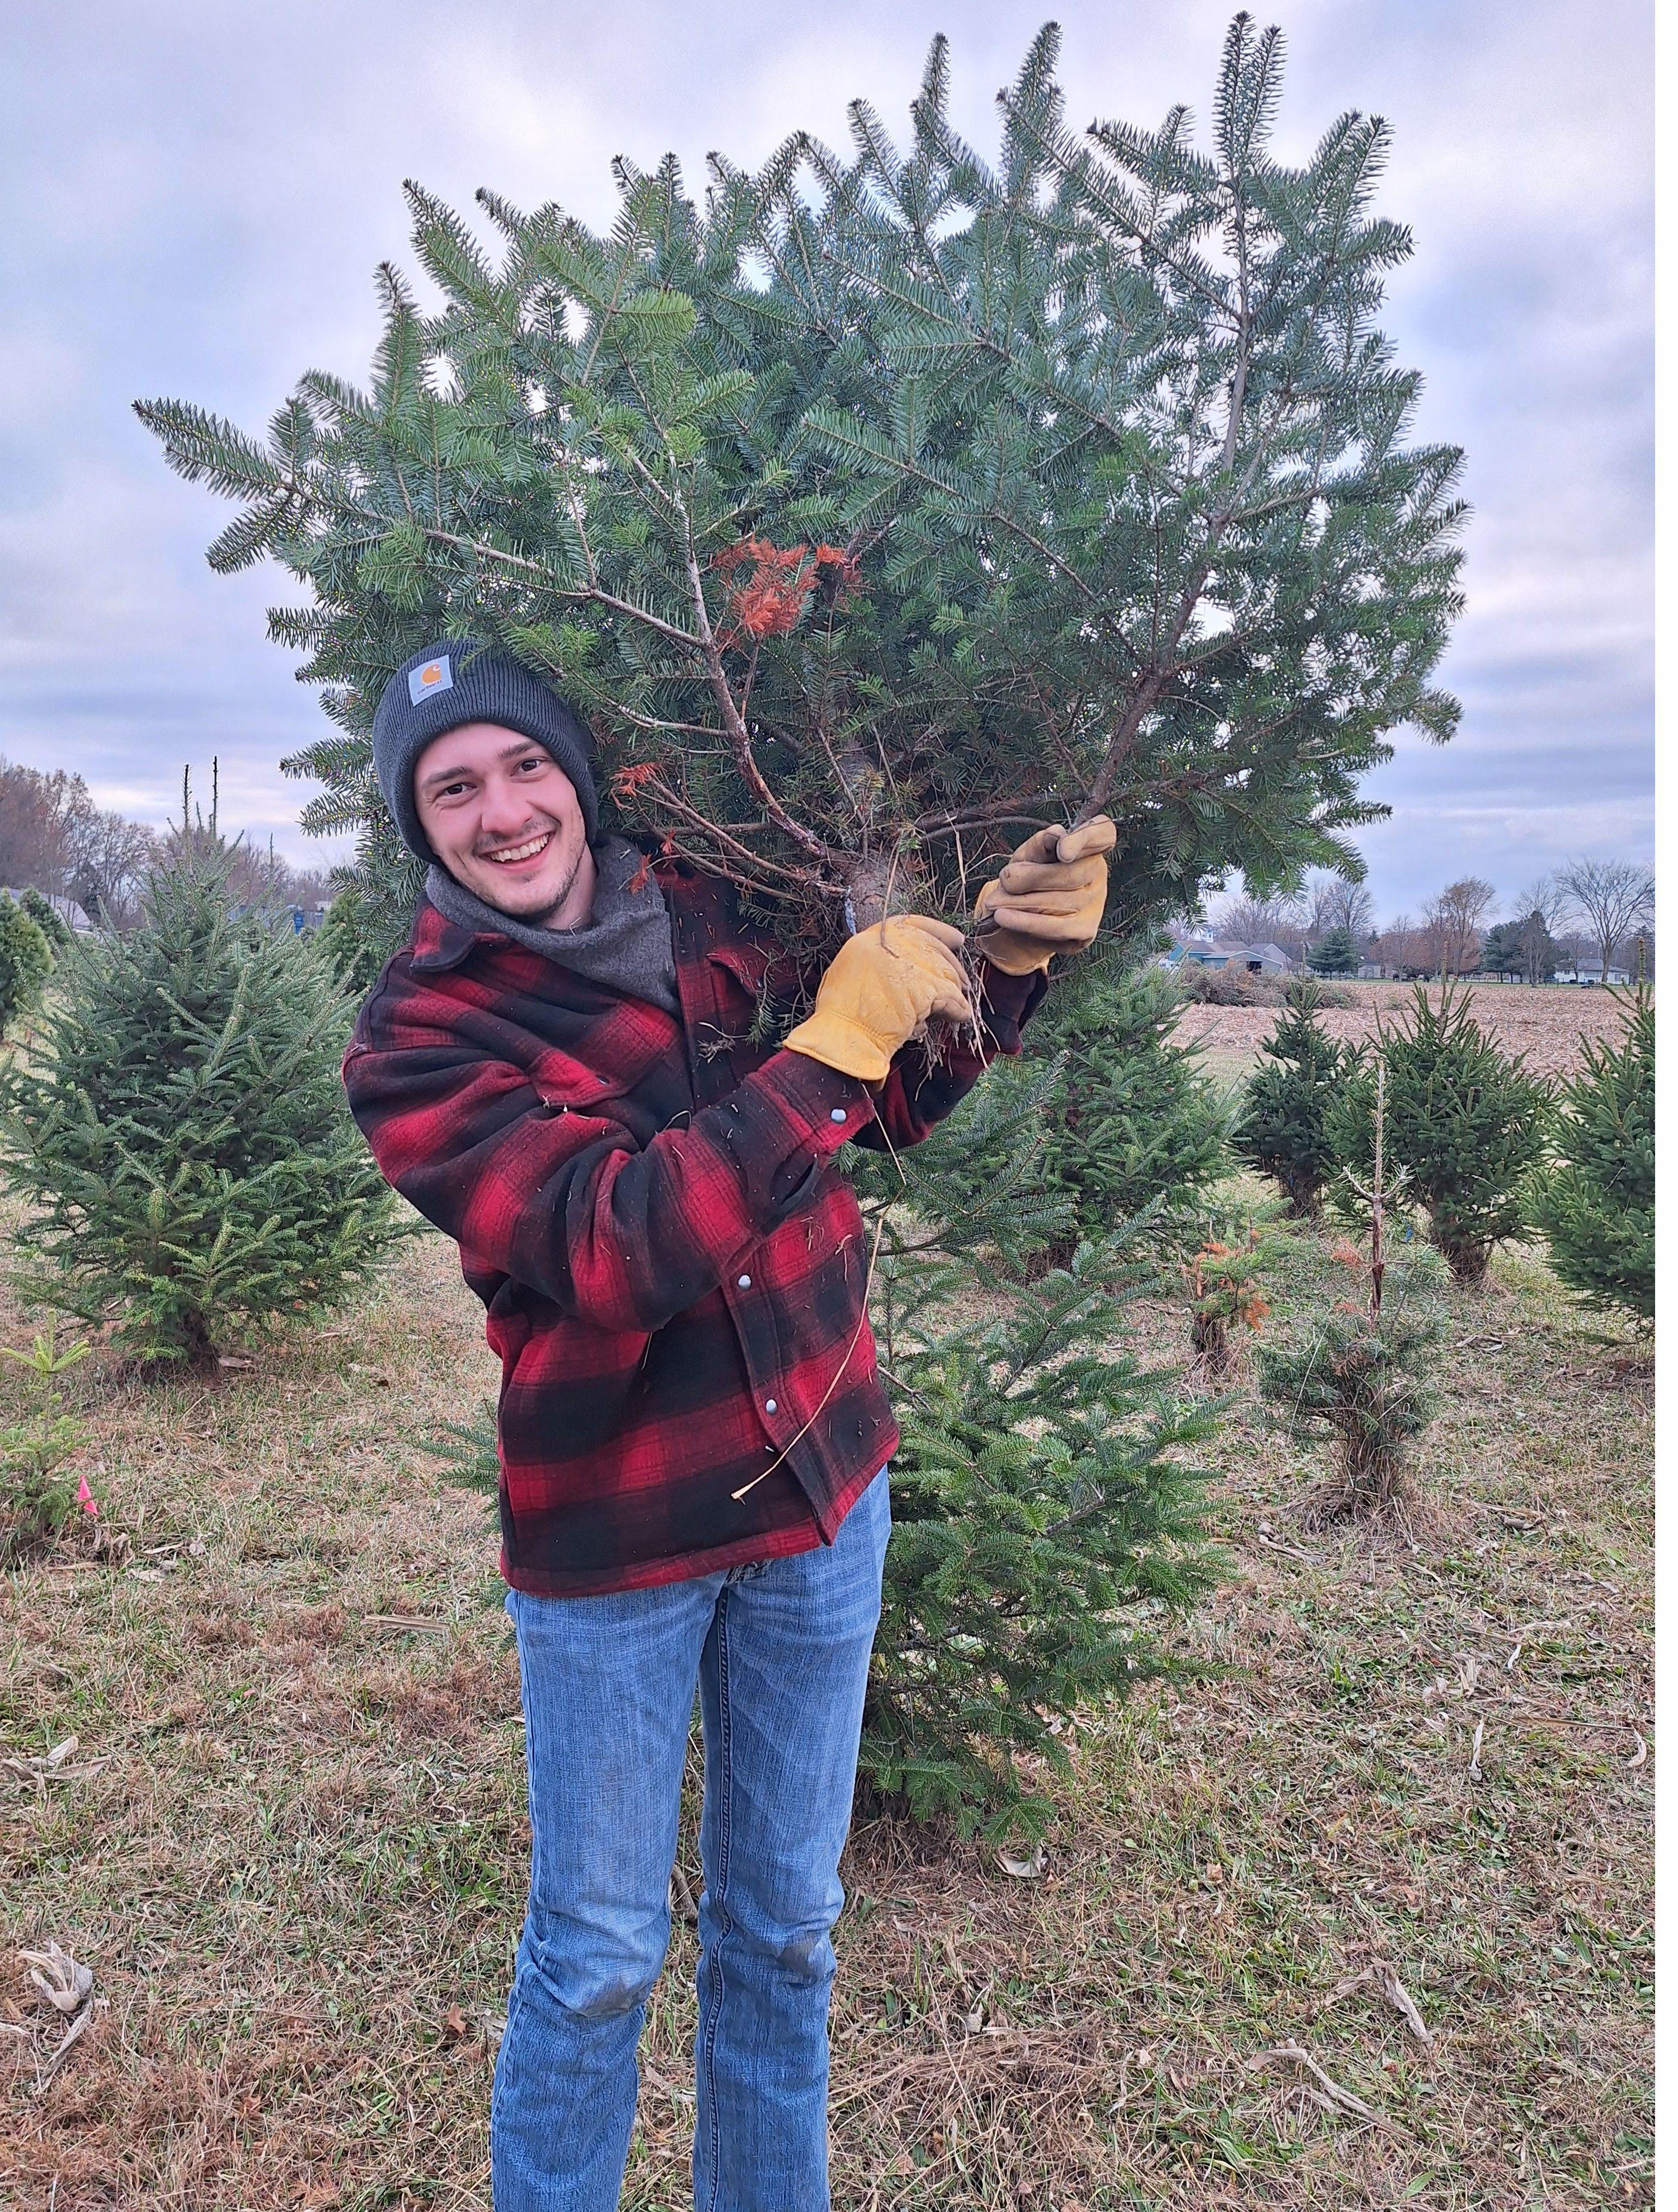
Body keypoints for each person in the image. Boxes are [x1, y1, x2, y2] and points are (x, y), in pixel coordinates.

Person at [342, 638, 1116, 2211]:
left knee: (783, 1930)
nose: (503, 810)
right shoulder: (421, 1040)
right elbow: (620, 1246)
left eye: (522, 765)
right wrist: (829, 1043)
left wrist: (1004, 967)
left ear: (574, 769)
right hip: (622, 1534)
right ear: (423, 829)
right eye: (454, 789)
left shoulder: (716, 906)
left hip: (826, 1489)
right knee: (600, 1958)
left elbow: (879, 1103)